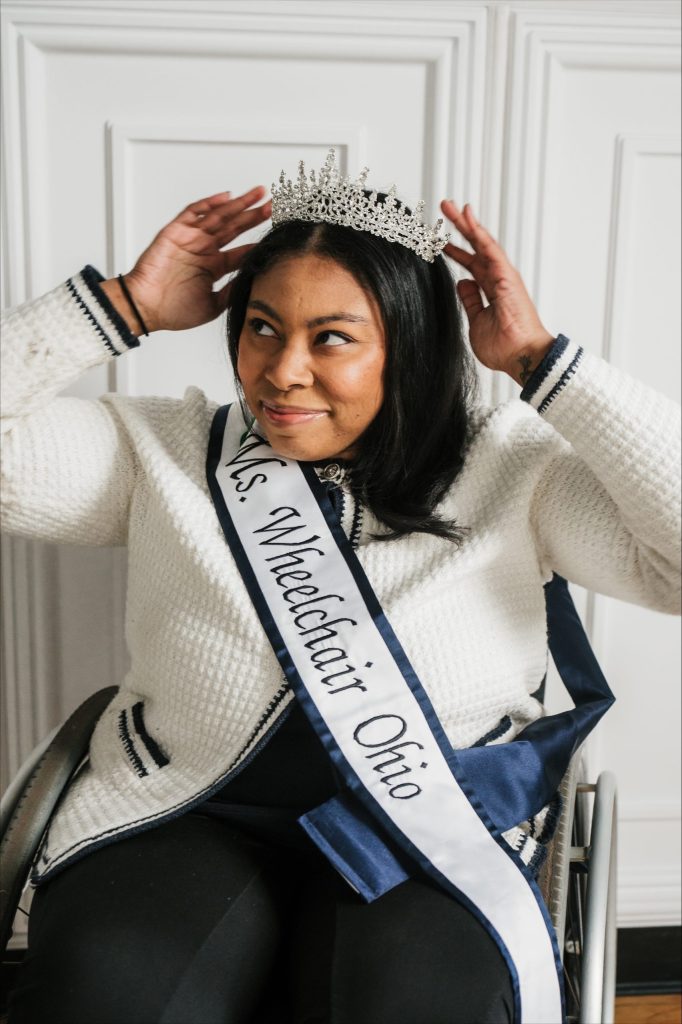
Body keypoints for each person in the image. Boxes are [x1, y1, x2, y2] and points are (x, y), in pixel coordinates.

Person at [1, 150, 679, 1024]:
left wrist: (545, 363)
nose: (282, 371)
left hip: (428, 829)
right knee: (112, 997)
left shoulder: (515, 469)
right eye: (261, 327)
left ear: (411, 345)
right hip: (184, 813)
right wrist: (120, 307)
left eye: (332, 338)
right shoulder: (161, 454)